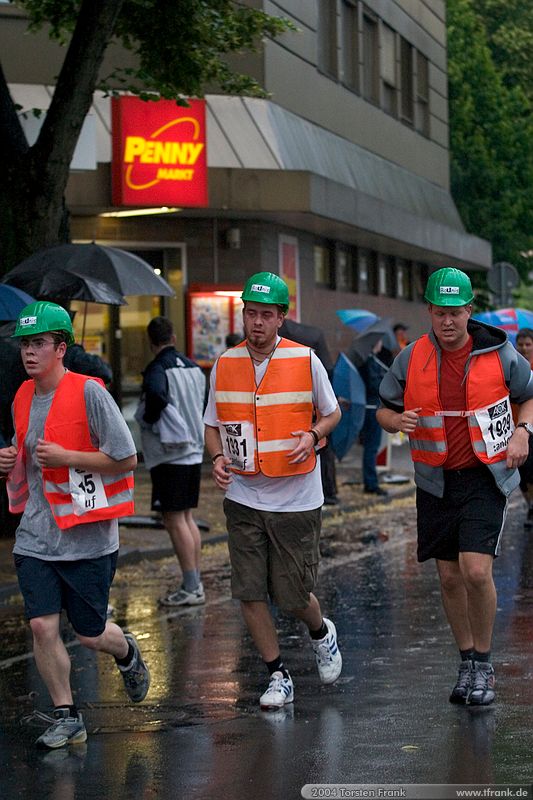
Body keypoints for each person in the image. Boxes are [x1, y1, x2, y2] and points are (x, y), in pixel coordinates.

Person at [377, 268, 533, 707]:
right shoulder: (411, 358)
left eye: (456, 313)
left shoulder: (499, 353)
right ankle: (466, 660)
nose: (448, 321)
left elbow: (529, 395)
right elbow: (384, 410)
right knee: (448, 578)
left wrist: (523, 432)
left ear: (469, 311)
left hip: (484, 475)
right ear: (429, 311)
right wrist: (397, 421)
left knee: (476, 571)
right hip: (434, 479)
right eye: (440, 312)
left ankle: (484, 663)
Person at [0, 301, 150, 749]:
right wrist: (9, 458)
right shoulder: (22, 396)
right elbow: (25, 455)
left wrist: (69, 458)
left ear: (61, 347)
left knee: (89, 634)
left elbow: (126, 458)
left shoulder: (90, 393)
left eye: (39, 343)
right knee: (42, 627)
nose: (29, 353)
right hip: (36, 537)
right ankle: (67, 714)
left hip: (88, 539)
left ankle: (126, 651)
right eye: (25, 344)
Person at [203, 271, 343, 711]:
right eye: (251, 313)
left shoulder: (305, 360)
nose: (257, 323)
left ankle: (322, 632)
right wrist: (217, 459)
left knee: (292, 595)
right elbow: (211, 425)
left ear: (282, 318)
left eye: (266, 315)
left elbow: (333, 413)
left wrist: (313, 435)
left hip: (296, 499)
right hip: (244, 497)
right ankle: (277, 674)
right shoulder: (225, 363)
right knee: (248, 591)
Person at [138, 316, 206, 606]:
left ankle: (191, 586)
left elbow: (154, 394)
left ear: (151, 342)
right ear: (174, 338)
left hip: (170, 454)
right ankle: (195, 581)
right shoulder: (193, 368)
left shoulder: (157, 368)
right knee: (186, 517)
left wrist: (150, 418)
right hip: (194, 449)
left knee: (174, 519)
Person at [357, 338, 393, 496]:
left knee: (371, 447)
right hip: (372, 408)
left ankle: (370, 480)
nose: (380, 344)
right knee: (371, 447)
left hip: (372, 407)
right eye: (378, 341)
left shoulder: (373, 361)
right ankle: (371, 483)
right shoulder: (369, 362)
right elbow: (373, 385)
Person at [515, 328, 533, 527]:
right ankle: (530, 505)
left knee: (530, 468)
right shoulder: (513, 366)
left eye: (528, 344)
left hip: (532, 428)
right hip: (514, 426)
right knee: (519, 472)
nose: (524, 348)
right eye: (521, 344)